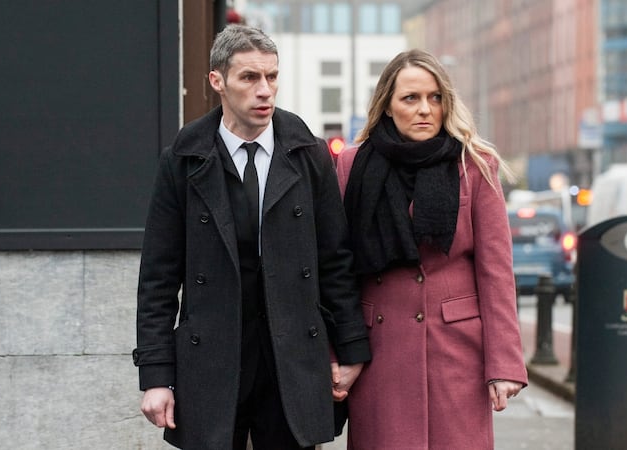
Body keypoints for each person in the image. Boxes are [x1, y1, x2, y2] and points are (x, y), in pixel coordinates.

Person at [133, 24, 371, 450]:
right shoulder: (183, 161)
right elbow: (158, 278)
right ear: (217, 81)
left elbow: (335, 258)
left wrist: (351, 350)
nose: (265, 90)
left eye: (272, 76)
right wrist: (156, 376)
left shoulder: (308, 154)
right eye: (249, 77)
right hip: (211, 356)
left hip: (291, 357)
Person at [335, 49, 528, 450]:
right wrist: (338, 350)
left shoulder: (473, 165)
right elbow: (337, 266)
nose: (425, 109)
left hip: (456, 353)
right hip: (380, 352)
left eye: (435, 97)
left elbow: (496, 272)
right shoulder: (353, 165)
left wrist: (504, 364)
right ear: (387, 105)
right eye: (411, 98)